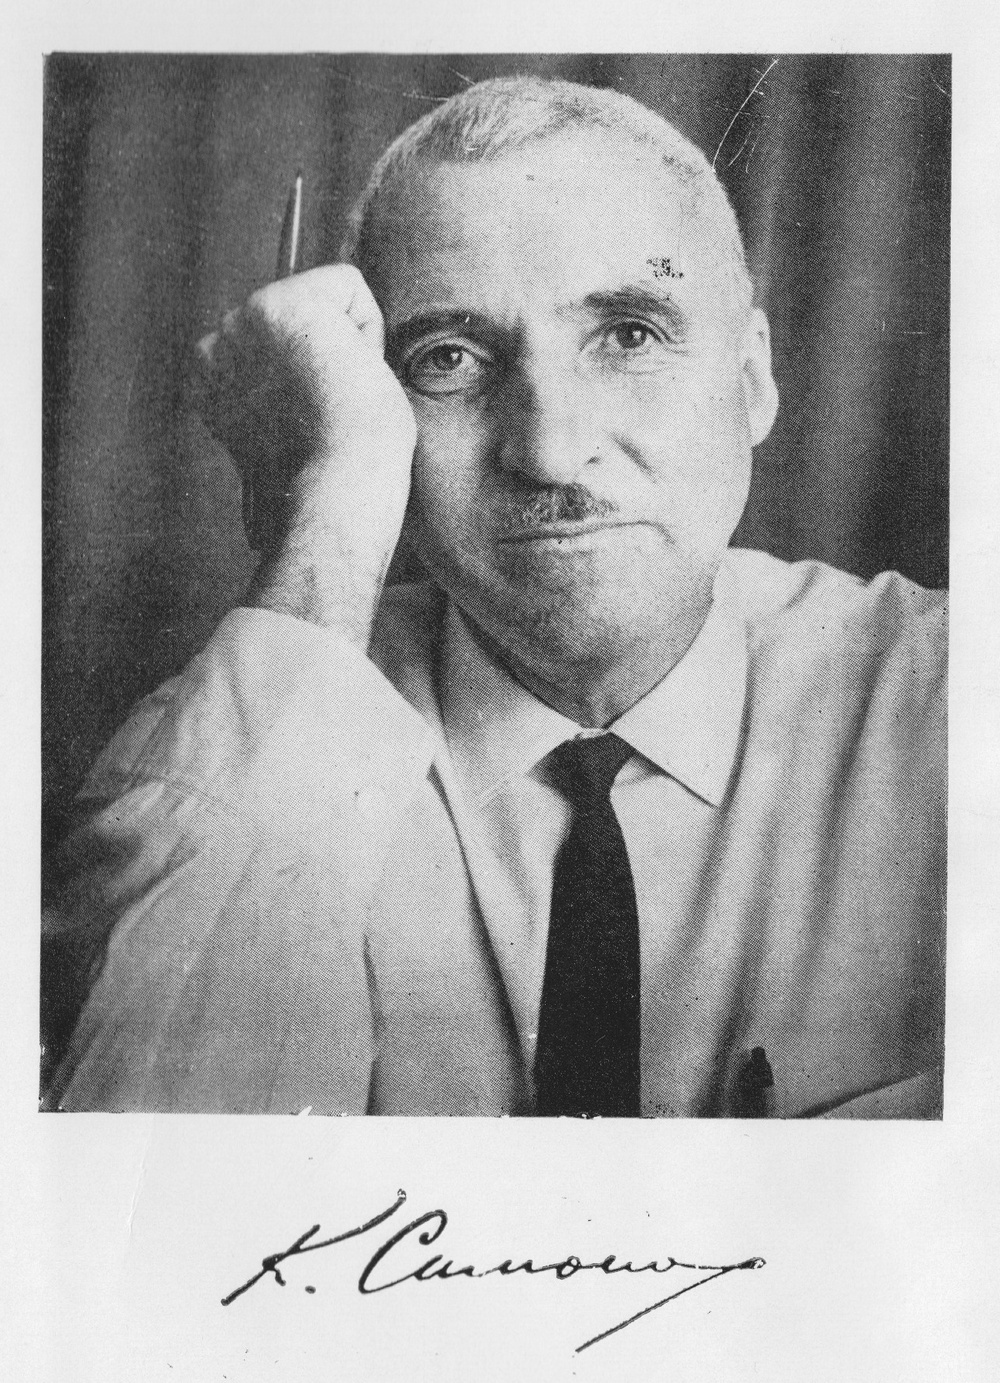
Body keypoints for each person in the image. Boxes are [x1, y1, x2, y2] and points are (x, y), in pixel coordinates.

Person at [41, 76, 946, 1118]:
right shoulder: (250, 739)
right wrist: (329, 501)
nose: (550, 450)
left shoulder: (947, 708)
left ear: (751, 381)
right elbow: (140, 1185)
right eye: (449, 360)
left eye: (629, 335)